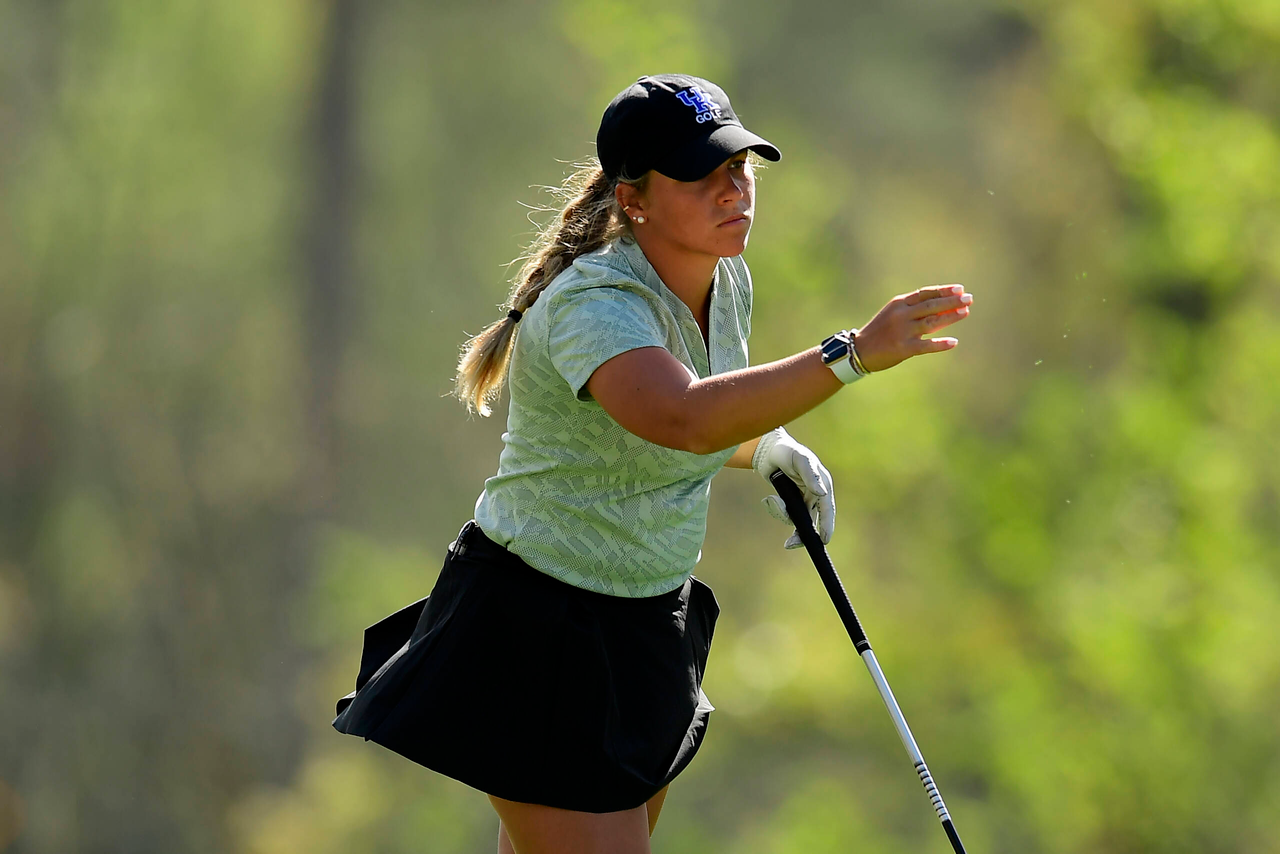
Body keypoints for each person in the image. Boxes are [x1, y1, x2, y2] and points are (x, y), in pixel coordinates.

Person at [332, 73, 972, 854]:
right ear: (634, 200)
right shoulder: (591, 303)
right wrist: (852, 356)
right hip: (537, 629)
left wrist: (764, 445)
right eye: (704, 175)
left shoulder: (724, 277)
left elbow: (690, 416)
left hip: (644, 629)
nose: (733, 190)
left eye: (740, 168)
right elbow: (678, 415)